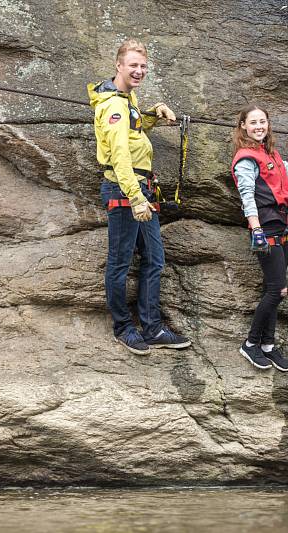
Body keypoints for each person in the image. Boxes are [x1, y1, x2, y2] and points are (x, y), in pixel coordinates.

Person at [88, 38, 191, 355]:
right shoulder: (113, 105)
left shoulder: (126, 100)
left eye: (143, 66)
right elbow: (119, 154)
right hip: (125, 188)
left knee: (155, 259)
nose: (139, 70)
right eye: (133, 65)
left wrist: (153, 114)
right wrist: (135, 197)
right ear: (119, 65)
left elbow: (133, 130)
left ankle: (153, 328)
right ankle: (123, 328)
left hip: (141, 187)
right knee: (119, 264)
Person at [231, 105, 288, 372]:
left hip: (284, 226)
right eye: (253, 122)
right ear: (243, 126)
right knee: (278, 290)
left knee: (272, 289)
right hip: (266, 228)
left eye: (262, 121)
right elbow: (246, 195)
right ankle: (250, 344)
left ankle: (267, 346)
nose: (259, 126)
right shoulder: (247, 158)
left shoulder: (270, 154)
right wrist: (256, 228)